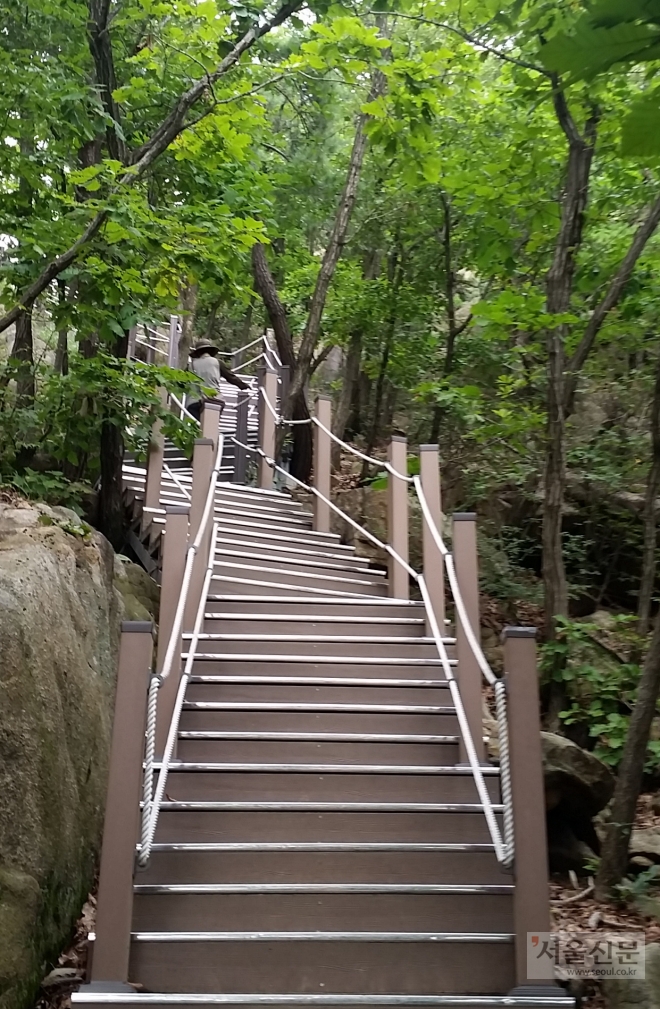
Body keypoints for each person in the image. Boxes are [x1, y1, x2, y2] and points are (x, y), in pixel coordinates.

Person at [186, 342, 249, 422]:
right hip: (213, 400)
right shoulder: (217, 362)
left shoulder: (190, 366)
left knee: (198, 427)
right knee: (211, 425)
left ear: (198, 353)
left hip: (193, 402)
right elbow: (230, 377)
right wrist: (243, 385)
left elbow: (182, 382)